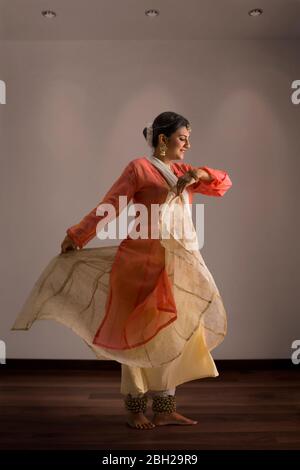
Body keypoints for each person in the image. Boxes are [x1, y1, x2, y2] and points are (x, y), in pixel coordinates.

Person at [12, 111, 232, 430]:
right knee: (136, 335)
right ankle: (134, 408)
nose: (187, 144)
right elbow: (111, 205)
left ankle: (165, 407)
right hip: (139, 263)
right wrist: (78, 235)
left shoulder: (184, 171)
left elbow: (223, 183)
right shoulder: (139, 169)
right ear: (162, 139)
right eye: (182, 138)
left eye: (187, 139)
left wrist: (198, 173)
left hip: (176, 266)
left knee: (174, 335)